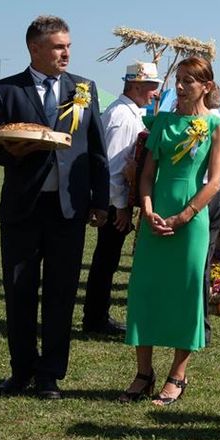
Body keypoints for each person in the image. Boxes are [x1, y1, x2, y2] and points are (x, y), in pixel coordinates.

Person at [0, 15, 109, 399]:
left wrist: (100, 201)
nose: (66, 53)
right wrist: (15, 151)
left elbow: (97, 151)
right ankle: (21, 370)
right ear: (34, 49)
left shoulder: (83, 88)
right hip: (22, 208)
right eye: (58, 46)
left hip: (69, 210)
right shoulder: (5, 90)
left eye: (68, 46)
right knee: (19, 290)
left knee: (61, 293)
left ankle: (50, 374)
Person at [119, 57, 220, 405]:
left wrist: (184, 216)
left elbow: (214, 181)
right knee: (145, 290)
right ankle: (143, 373)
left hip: (191, 220)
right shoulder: (163, 121)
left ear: (206, 86)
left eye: (189, 82)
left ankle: (177, 376)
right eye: (178, 80)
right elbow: (147, 173)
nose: (180, 87)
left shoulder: (216, 125)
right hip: (155, 215)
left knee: (186, 293)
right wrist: (147, 207)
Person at [82, 61, 162, 337]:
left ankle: (96, 315)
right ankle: (95, 318)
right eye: (152, 87)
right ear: (137, 85)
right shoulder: (122, 116)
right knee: (105, 261)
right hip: (115, 205)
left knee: (107, 260)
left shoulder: (127, 113)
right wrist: (120, 207)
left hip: (115, 202)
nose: (155, 93)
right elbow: (113, 168)